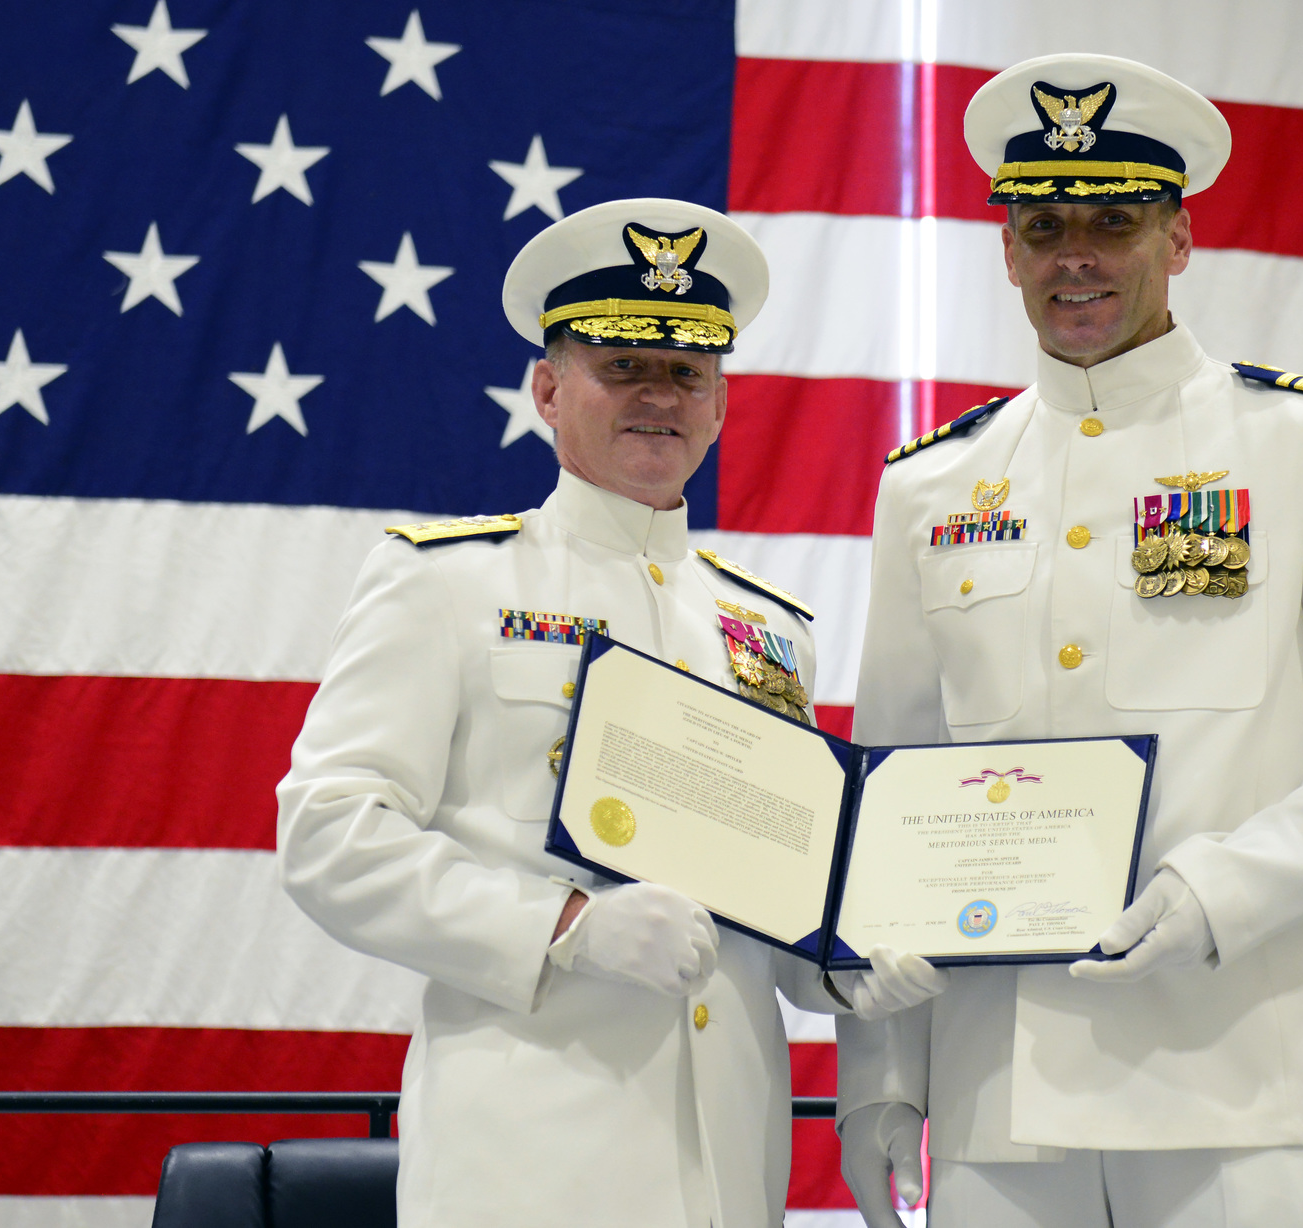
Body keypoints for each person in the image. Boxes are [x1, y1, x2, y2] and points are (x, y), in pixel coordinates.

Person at [834, 55, 1303, 1228]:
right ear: (1005, 249)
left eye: (1113, 222)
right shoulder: (930, 485)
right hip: (995, 1080)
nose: (1072, 254)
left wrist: (1223, 889)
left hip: (1225, 1062)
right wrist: (875, 1080)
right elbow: (895, 786)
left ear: (1177, 239)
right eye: (1042, 226)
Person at [277, 197, 944, 1228]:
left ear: (720, 401)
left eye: (686, 371)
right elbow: (326, 835)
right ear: (547, 388)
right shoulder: (446, 585)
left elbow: (772, 885)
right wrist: (564, 927)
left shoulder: (765, 629)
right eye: (622, 364)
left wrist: (848, 960)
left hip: (727, 1162)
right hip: (529, 1157)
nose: (657, 396)